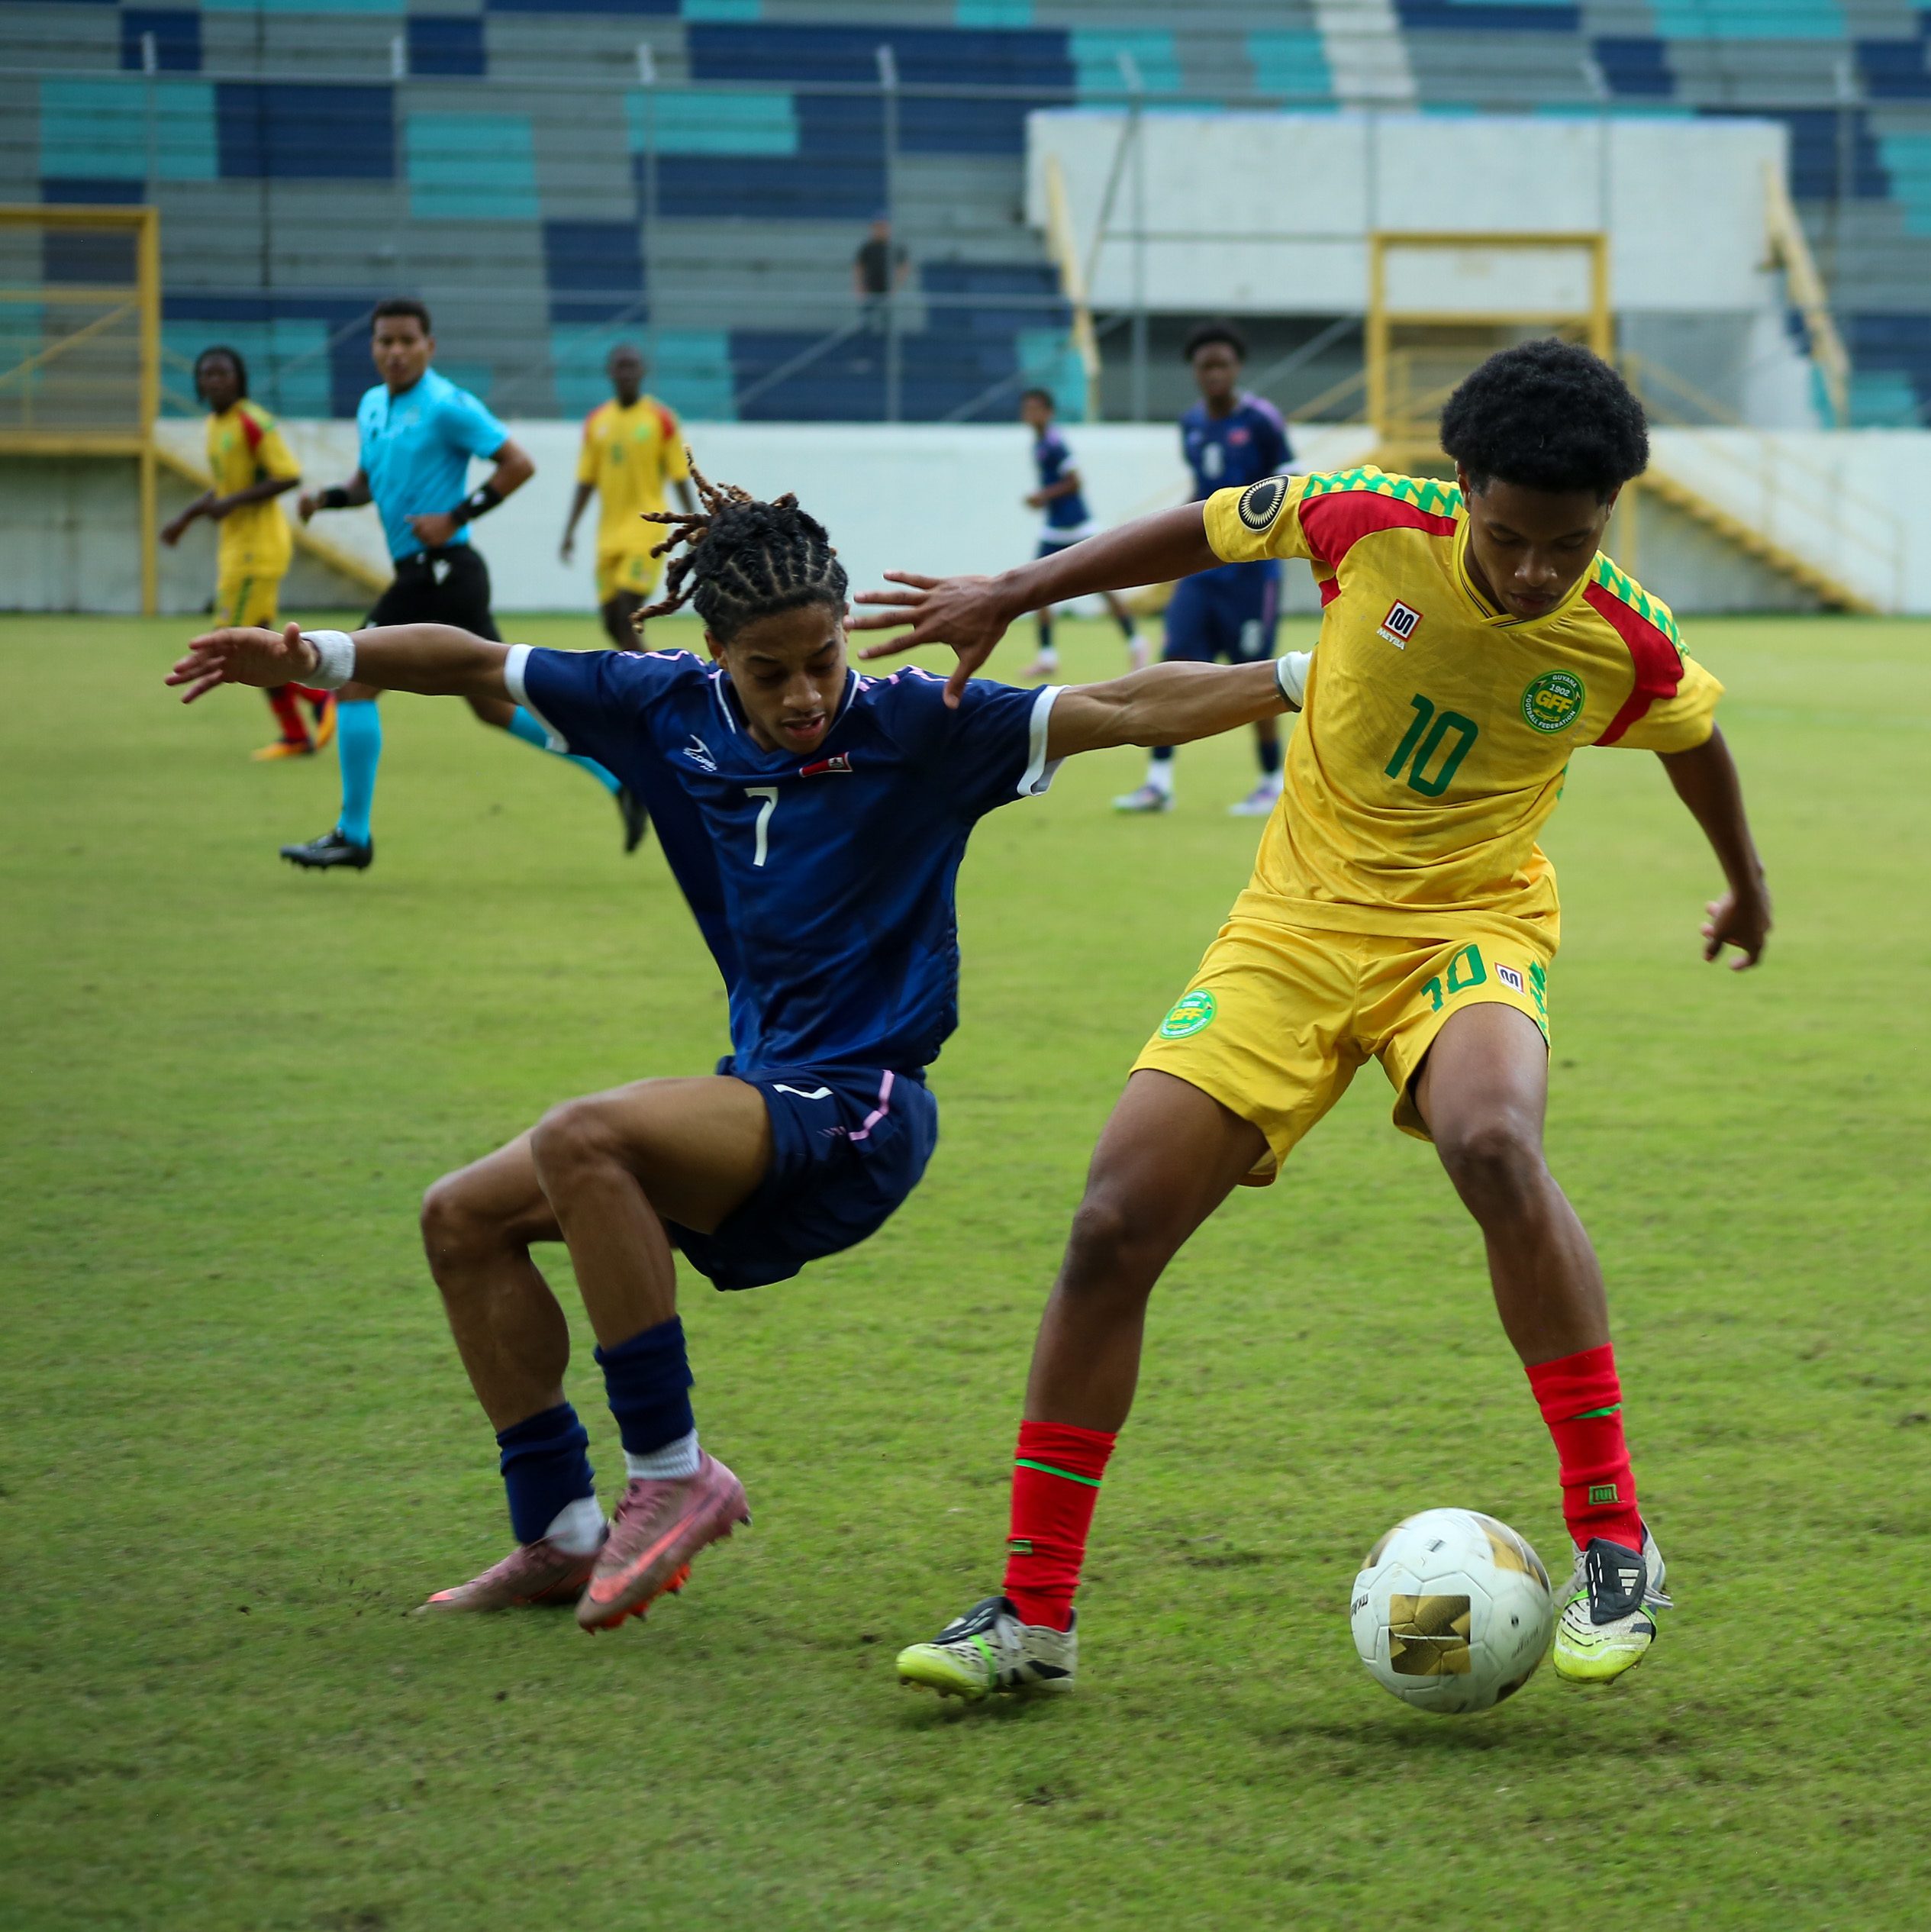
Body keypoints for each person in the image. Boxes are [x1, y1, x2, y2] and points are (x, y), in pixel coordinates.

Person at [165, 468, 1314, 1637]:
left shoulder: (916, 724)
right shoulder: (660, 706)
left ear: (845, 629)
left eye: (823, 658)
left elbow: (1124, 703)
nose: (805, 692)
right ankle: (558, 1529)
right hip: (761, 1099)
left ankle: (672, 1473)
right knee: (462, 1217)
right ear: (714, 651)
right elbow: (470, 661)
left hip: (863, 1109)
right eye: (770, 671)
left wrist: (1305, 677)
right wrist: (316, 655)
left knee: (582, 1137)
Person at [856, 340, 1771, 1699]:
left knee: (1493, 1143)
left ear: (1607, 521)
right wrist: (1017, 585)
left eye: (1568, 547)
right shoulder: (1366, 520)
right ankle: (1033, 1618)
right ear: (1463, 489)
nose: (1535, 573)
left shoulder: (1622, 635)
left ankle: (1618, 1545)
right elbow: (1203, 528)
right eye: (1510, 538)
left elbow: (1692, 737)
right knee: (1111, 1223)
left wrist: (1744, 884)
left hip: (1468, 924)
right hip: (1290, 928)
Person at [293, 298, 645, 870]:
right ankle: (618, 774)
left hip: (442, 571)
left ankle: (353, 836)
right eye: (385, 341)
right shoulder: (372, 405)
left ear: (429, 346)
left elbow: (518, 463)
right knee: (494, 705)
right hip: (433, 575)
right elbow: (366, 484)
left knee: (352, 682)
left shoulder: (446, 405)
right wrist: (325, 499)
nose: (396, 351)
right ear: (373, 347)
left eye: (407, 340)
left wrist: (454, 516)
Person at [1115, 321, 1294, 818]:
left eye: (1222, 364)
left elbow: (1291, 481)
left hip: (1251, 576)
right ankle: (1158, 783)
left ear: (1237, 368)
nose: (1214, 373)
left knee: (1257, 675)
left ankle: (1270, 781)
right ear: (1194, 372)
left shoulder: (1262, 421)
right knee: (1172, 665)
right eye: (1205, 366)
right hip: (1202, 574)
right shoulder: (1191, 424)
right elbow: (1201, 489)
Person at [161, 346, 333, 762]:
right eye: (207, 374)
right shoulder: (215, 425)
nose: (215, 381)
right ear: (199, 383)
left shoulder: (253, 422)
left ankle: (322, 699)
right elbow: (225, 486)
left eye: (223, 373)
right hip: (237, 550)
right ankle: (295, 735)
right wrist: (186, 518)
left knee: (237, 647)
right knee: (257, 646)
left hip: (258, 550)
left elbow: (288, 475)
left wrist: (231, 503)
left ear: (239, 379)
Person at [559, 344, 698, 650]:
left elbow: (679, 475)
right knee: (611, 621)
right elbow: (586, 480)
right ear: (610, 372)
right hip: (609, 534)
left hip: (646, 529)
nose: (626, 373)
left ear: (643, 371)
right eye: (620, 366)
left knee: (627, 610)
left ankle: (654, 677)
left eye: (632, 366)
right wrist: (570, 530)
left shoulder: (661, 419)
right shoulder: (597, 422)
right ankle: (645, 672)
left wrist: (693, 523)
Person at [1016, 387, 1146, 681]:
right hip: (1054, 529)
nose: (1030, 414)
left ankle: (1137, 644)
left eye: (1036, 409)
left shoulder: (1055, 444)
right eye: (1027, 409)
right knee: (1037, 590)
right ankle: (1047, 657)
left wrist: (1042, 496)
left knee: (1104, 587)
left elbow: (1075, 482)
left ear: (1049, 413)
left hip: (1076, 527)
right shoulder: (1039, 444)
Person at [853, 215, 907, 331]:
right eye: (878, 227)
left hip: (887, 288)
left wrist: (896, 285)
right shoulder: (868, 248)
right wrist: (859, 286)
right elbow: (859, 267)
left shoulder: (894, 247)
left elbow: (903, 267)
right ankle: (867, 335)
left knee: (886, 318)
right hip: (870, 287)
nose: (880, 230)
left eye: (883, 227)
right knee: (867, 317)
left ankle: (885, 336)